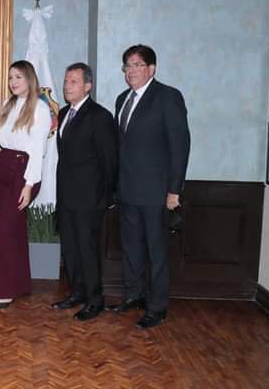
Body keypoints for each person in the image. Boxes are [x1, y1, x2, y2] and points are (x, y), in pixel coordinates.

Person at [108, 44, 190, 329]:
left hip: (156, 192)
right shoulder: (122, 99)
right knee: (131, 249)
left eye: (137, 65)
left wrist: (174, 190)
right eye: (127, 66)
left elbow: (180, 146)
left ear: (151, 69)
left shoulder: (168, 97)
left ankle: (157, 307)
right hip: (127, 190)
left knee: (157, 252)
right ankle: (134, 295)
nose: (131, 71)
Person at [51, 63, 118, 321]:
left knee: (87, 250)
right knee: (70, 249)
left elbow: (109, 160)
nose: (67, 86)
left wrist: (107, 196)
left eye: (74, 82)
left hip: (89, 199)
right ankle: (77, 293)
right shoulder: (64, 113)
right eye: (66, 81)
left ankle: (94, 301)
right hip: (66, 196)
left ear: (88, 86)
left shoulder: (100, 116)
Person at [0, 60, 51, 310]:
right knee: (15, 229)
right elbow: (1, 140)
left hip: (24, 172)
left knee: (3, 230)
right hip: (4, 166)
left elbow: (37, 150)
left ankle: (3, 290)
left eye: (19, 77)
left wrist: (28, 184)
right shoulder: (8, 104)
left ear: (30, 79)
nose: (13, 82)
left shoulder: (40, 109)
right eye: (11, 77)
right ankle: (21, 283)